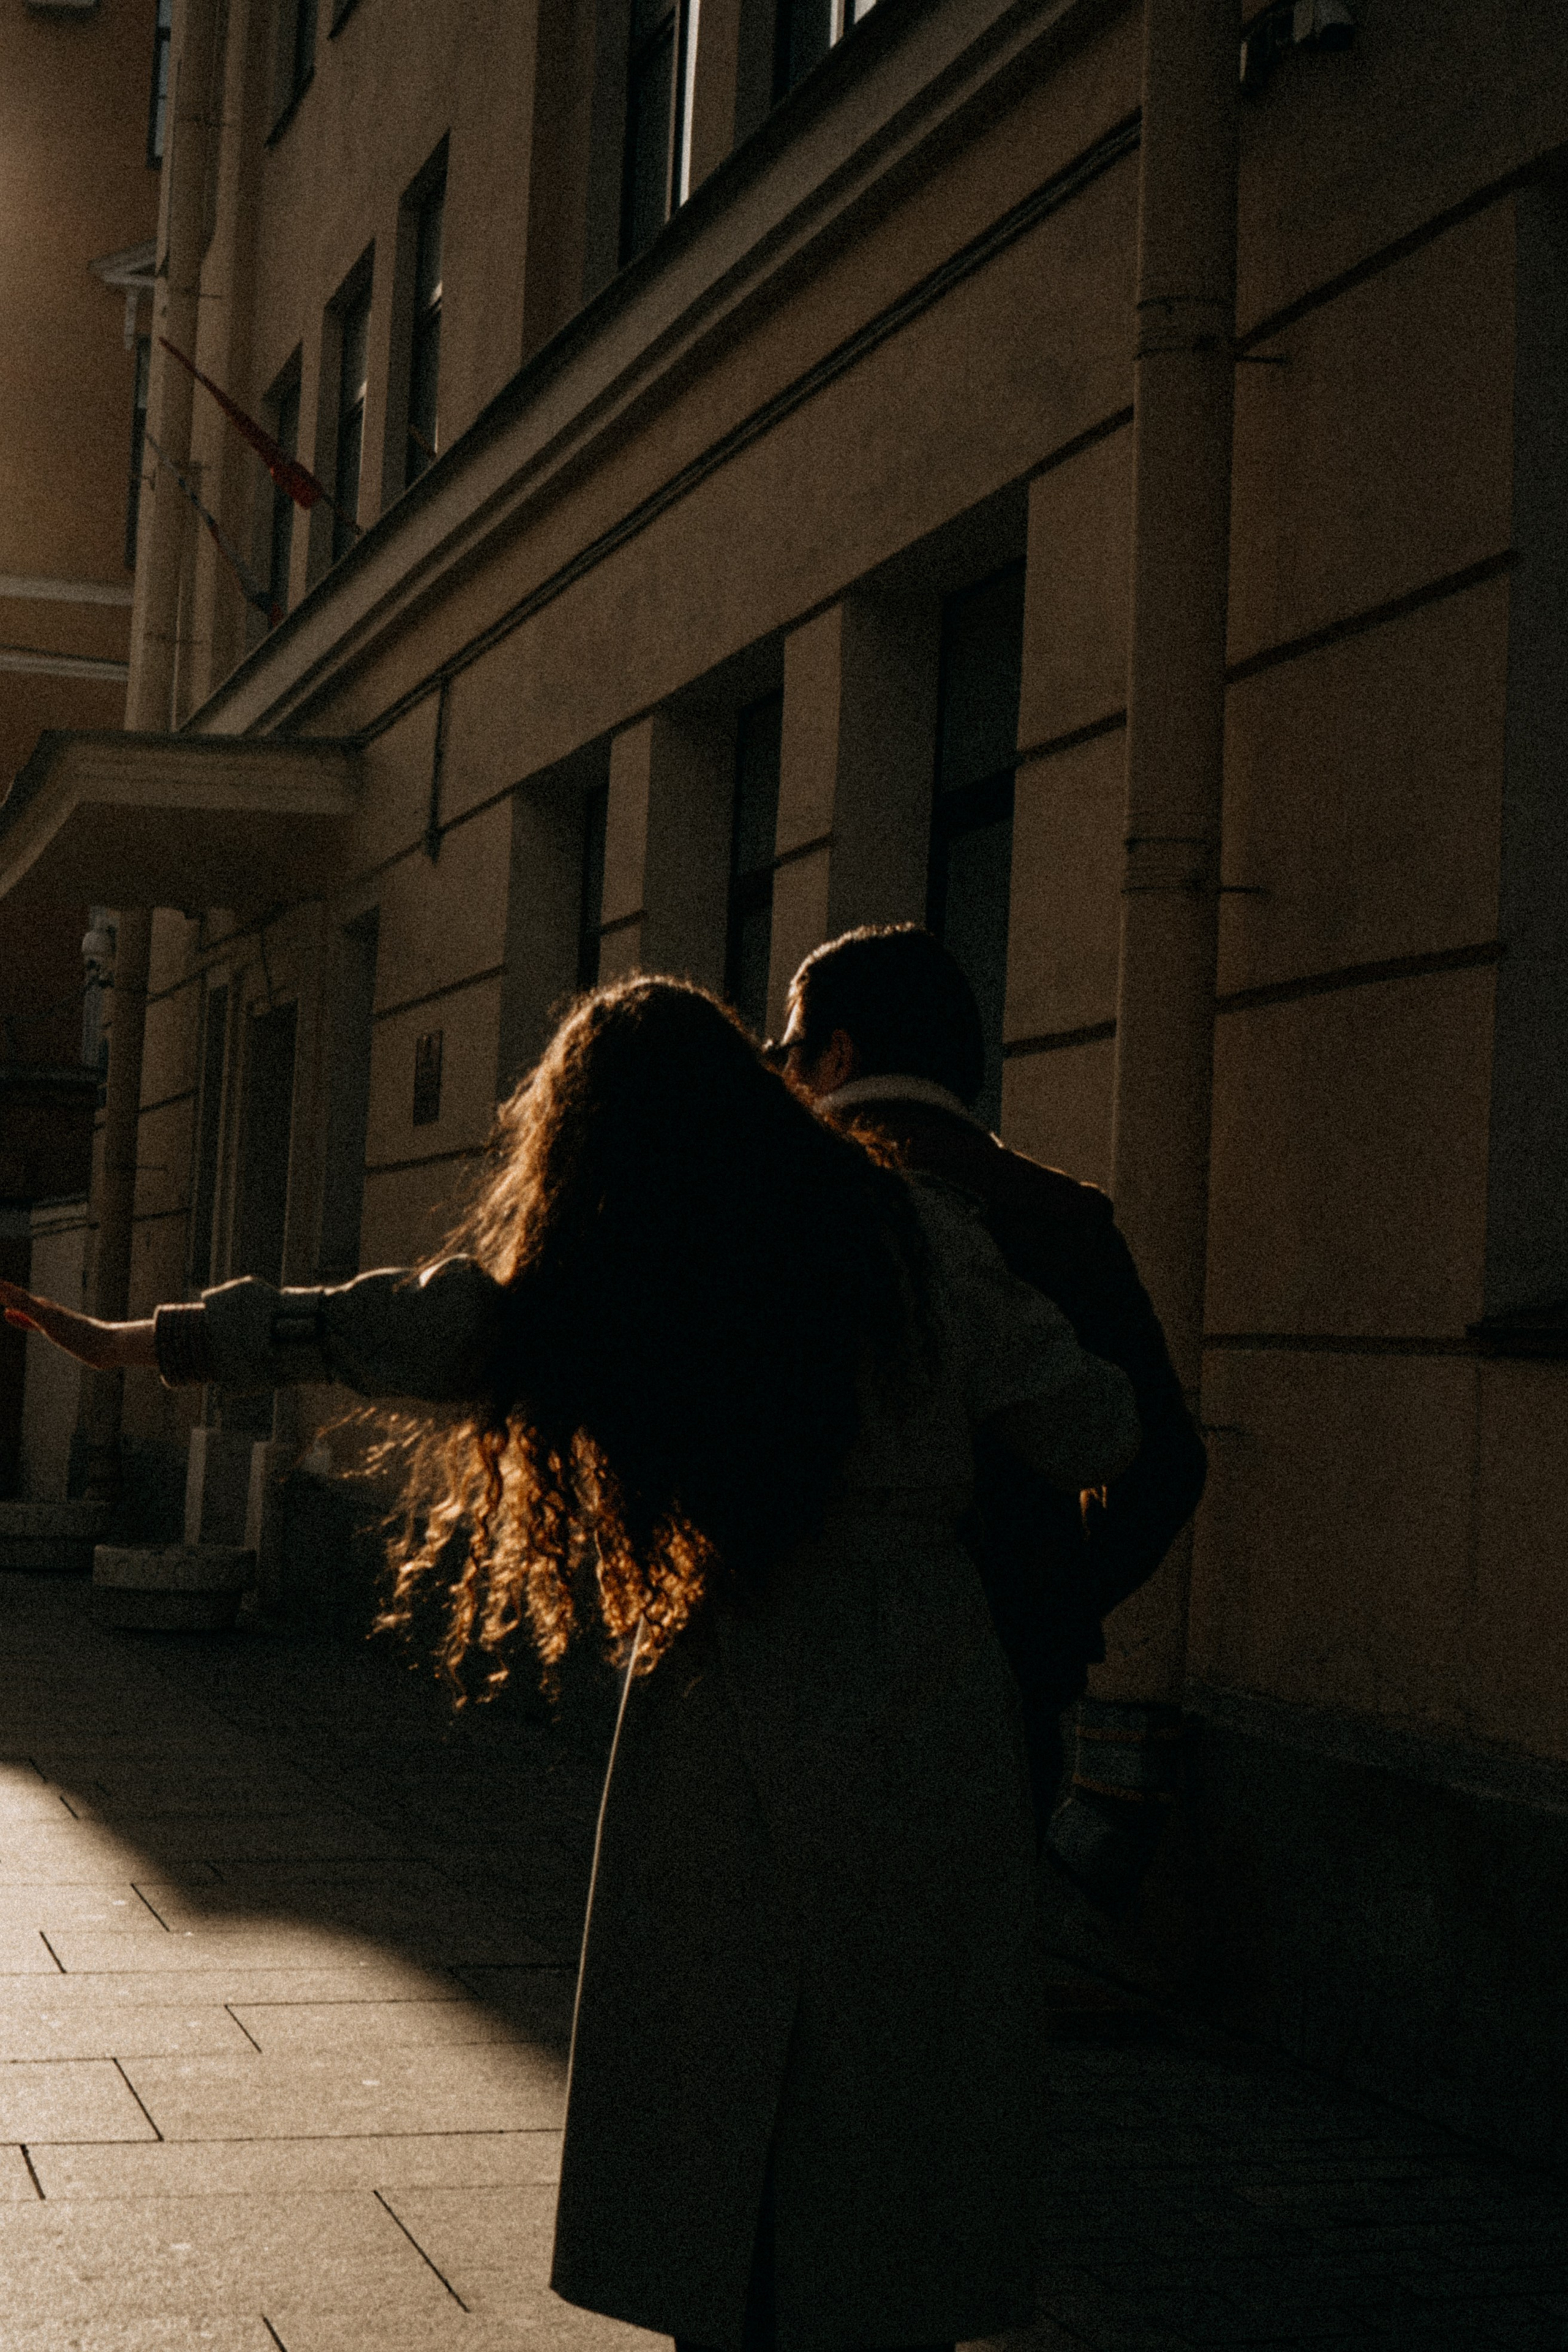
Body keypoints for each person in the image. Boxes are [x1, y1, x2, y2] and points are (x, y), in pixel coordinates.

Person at [2, 975, 1140, 2352]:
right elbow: (1093, 1432)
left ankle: (719, 2304)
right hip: (919, 1671)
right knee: (898, 2041)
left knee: (709, 2041)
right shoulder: (911, 1235)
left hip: (722, 1666)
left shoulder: (620, 1272)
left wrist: (165, 1338)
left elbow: (410, 1322)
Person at [774, 924, 1208, 1908]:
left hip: (799, 1660)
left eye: (790, 1051)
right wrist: (1058, 1600)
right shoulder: (1064, 1217)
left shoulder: (786, 1209)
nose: (783, 1077)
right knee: (966, 1983)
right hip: (1011, 1665)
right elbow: (1167, 1460)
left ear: (838, 1055)